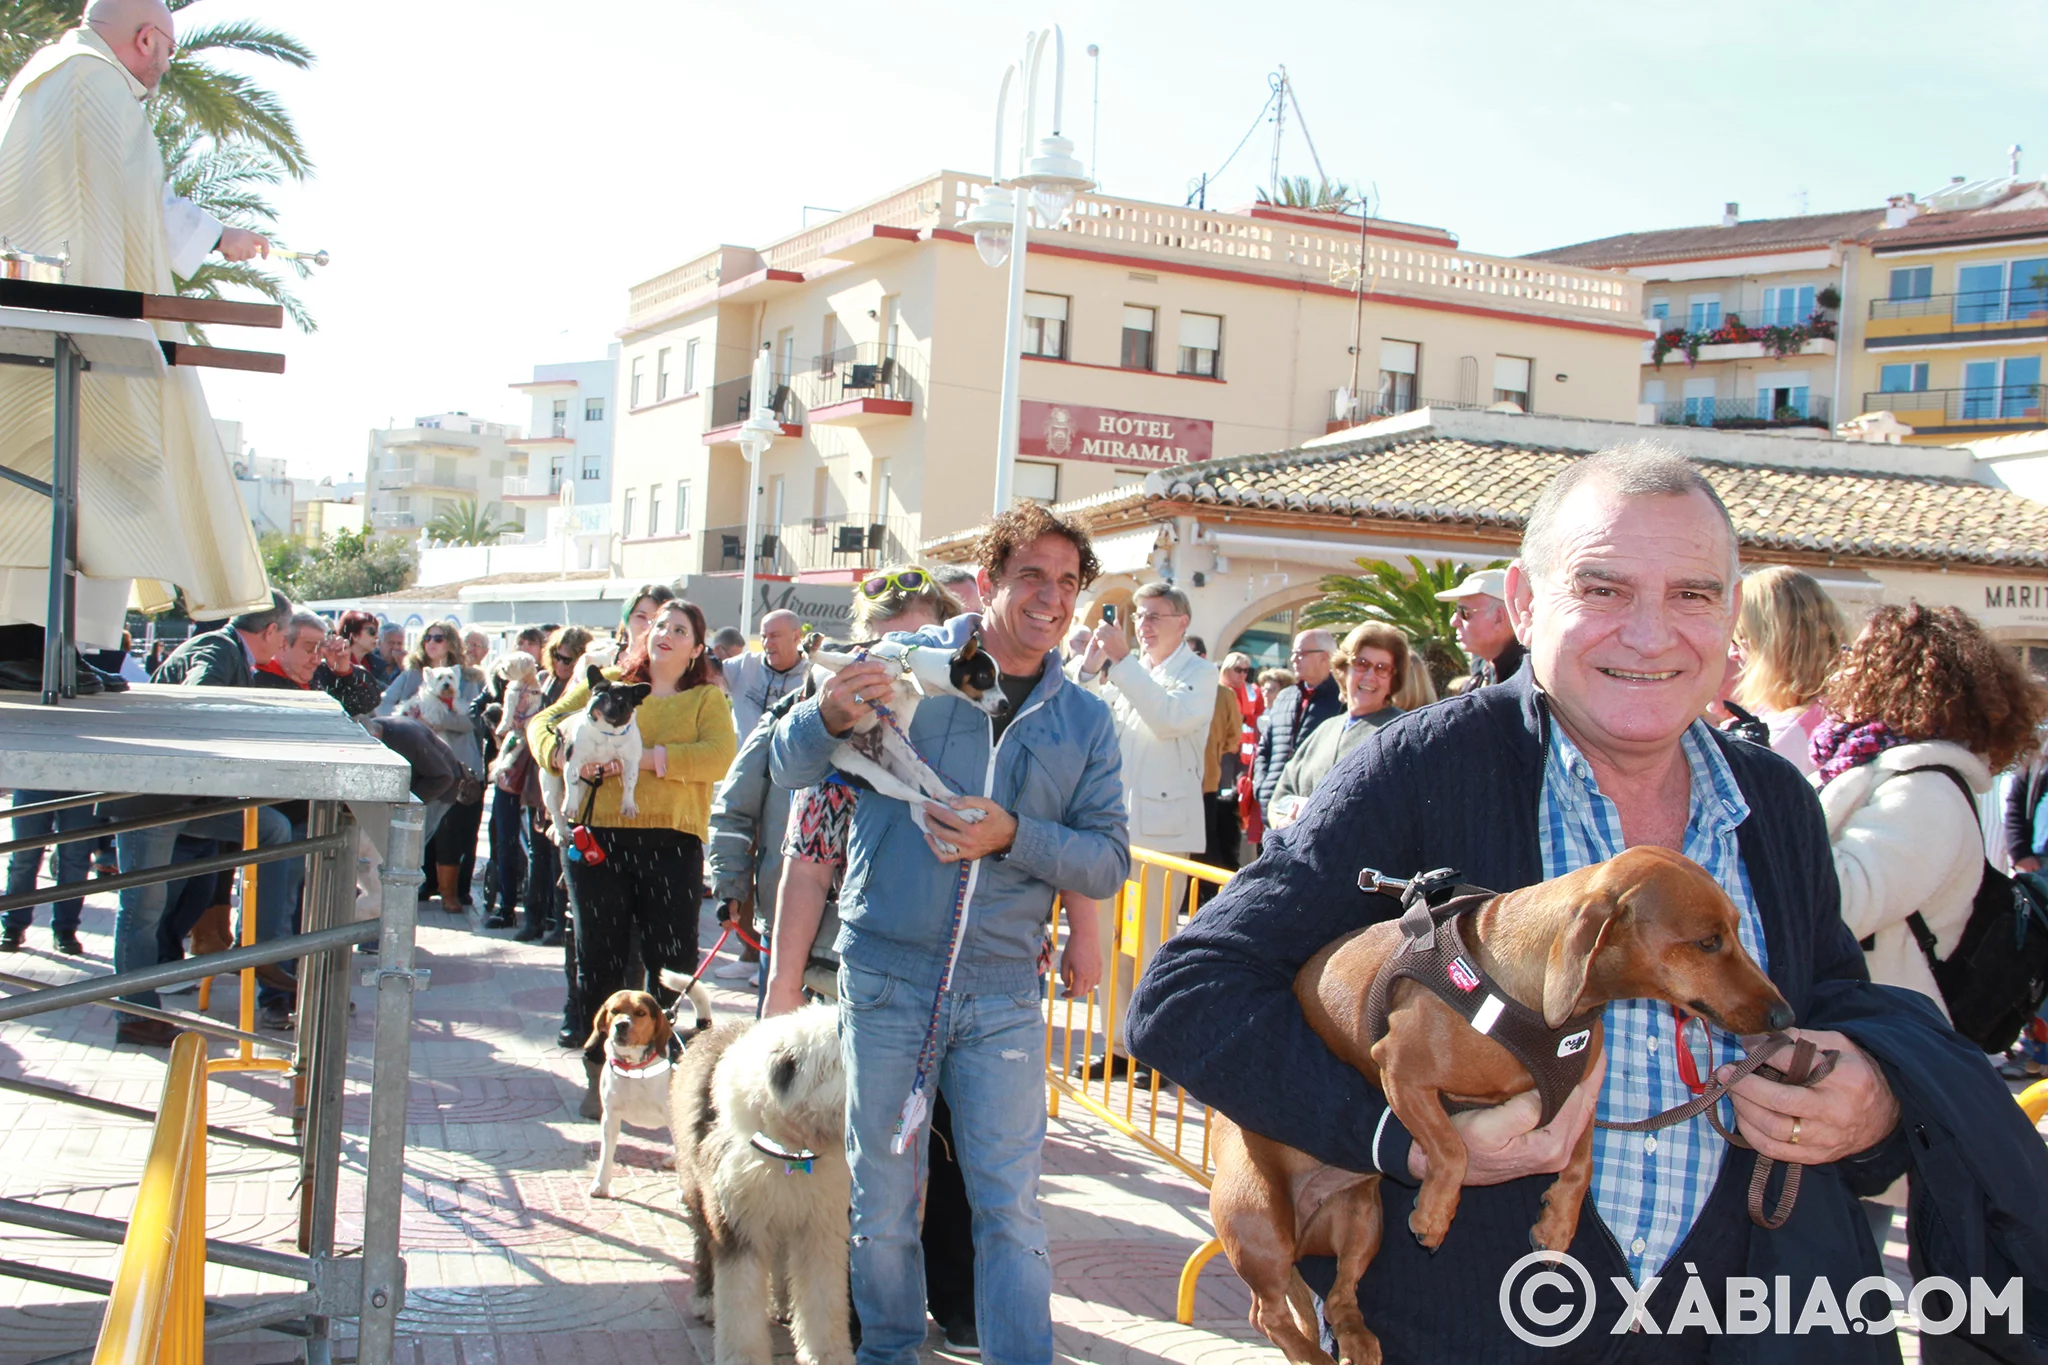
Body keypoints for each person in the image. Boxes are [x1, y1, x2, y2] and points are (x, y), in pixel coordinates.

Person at [1126, 444, 2048, 1360]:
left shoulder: (1776, 802)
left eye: (1692, 594)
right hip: (1475, 1329)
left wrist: (1875, 1100)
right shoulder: (1418, 769)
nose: (1650, 633)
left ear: (1732, 617)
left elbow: (1822, 999)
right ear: (1526, 604)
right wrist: (1407, 1144)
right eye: (1603, 589)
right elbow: (1188, 995)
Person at [770, 503, 1128, 1365]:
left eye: (1067, 583)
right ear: (988, 581)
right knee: (883, 1202)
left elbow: (1109, 859)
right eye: (1031, 577)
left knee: (1011, 1206)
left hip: (1003, 992)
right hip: (886, 976)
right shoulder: (903, 667)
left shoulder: (1084, 720)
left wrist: (1017, 836)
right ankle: (889, 1351)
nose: (1049, 598)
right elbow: (789, 766)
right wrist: (820, 714)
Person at [0, 0, 267, 664]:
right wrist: (212, 237)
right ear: (147, 38)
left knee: (81, 476)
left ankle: (60, 645)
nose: (166, 68)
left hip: (55, 322)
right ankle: (39, 643)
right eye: (168, 53)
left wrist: (212, 235)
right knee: (94, 468)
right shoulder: (92, 82)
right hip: (78, 328)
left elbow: (125, 204)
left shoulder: (54, 72)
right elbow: (122, 211)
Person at [1811, 603, 2048, 1250]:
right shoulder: (1890, 775)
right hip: (1857, 1046)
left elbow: (1841, 899)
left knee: (1837, 1268)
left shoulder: (1923, 792)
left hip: (1877, 1060)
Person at [532, 599, 736, 1120]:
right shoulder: (608, 686)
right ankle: (601, 1078)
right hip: (600, 840)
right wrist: (562, 751)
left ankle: (668, 1078)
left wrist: (640, 759)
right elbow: (543, 724)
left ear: (696, 647)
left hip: (672, 843)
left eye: (680, 629)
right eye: (659, 625)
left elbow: (719, 756)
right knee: (598, 957)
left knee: (671, 964)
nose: (665, 633)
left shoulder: (704, 699)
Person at [1071, 581, 1216, 1078]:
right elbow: (1090, 718)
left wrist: (1124, 664)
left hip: (1163, 835)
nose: (1144, 625)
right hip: (1117, 830)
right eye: (1139, 615)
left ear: (1182, 623)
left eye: (1155, 616)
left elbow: (1168, 718)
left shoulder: (1199, 674)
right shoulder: (1132, 674)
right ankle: (1116, 1045)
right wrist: (1091, 669)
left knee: (1151, 945)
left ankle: (1152, 1051)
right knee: (1111, 942)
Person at [376, 616, 486, 914]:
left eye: (438, 638)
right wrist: (407, 723)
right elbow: (386, 703)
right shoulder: (413, 674)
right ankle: (418, 886)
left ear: (451, 643)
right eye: (427, 638)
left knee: (453, 831)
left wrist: (436, 721)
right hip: (420, 763)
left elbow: (473, 720)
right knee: (419, 826)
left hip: (459, 764)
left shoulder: (471, 678)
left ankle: (451, 893)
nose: (431, 643)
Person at [1266, 622, 1408, 824]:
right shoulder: (1326, 729)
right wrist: (1285, 822)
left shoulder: (1403, 733)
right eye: (1361, 664)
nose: (1370, 676)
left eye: (1382, 668)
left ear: (1393, 679)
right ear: (1344, 669)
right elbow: (1282, 795)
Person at [1729, 565, 1847, 776]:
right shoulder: (1843, 710)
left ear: (1772, 645)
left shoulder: (1795, 734)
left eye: (1741, 641)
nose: (1732, 653)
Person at [536, 625, 592, 1044]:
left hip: (642, 824)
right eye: (643, 619)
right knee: (581, 924)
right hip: (577, 822)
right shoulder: (598, 671)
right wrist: (553, 753)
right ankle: (577, 1008)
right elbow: (543, 723)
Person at [1251, 629, 1341, 820]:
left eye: (1302, 653)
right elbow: (1265, 748)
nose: (1294, 659)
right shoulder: (1285, 696)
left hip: (1313, 812)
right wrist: (1262, 787)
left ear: (1325, 657)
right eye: (1293, 653)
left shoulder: (1342, 701)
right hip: (1273, 810)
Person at [3, 790, 104, 955]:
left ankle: (66, 929)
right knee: (24, 857)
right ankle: (13, 926)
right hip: (34, 780)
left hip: (82, 782)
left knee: (75, 860)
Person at [152, 589, 290, 686]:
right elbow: (199, 696)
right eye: (283, 636)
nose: (281, 645)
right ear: (270, 631)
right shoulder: (220, 651)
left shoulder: (227, 648)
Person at [1435, 566, 1525, 690]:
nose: (1453, 622)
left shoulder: (1528, 676)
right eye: (1454, 611)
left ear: (1499, 617)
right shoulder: (1483, 671)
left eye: (1464, 612)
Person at [723, 608, 806, 739]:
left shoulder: (814, 675)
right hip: (745, 758)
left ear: (796, 636)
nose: (767, 643)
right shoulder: (742, 666)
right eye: (763, 637)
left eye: (774, 636)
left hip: (789, 758)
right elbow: (701, 676)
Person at [369, 623, 406, 688]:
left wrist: (404, 668)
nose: (395, 647)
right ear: (379, 643)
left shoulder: (408, 664)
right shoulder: (369, 661)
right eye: (391, 643)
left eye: (399, 643)